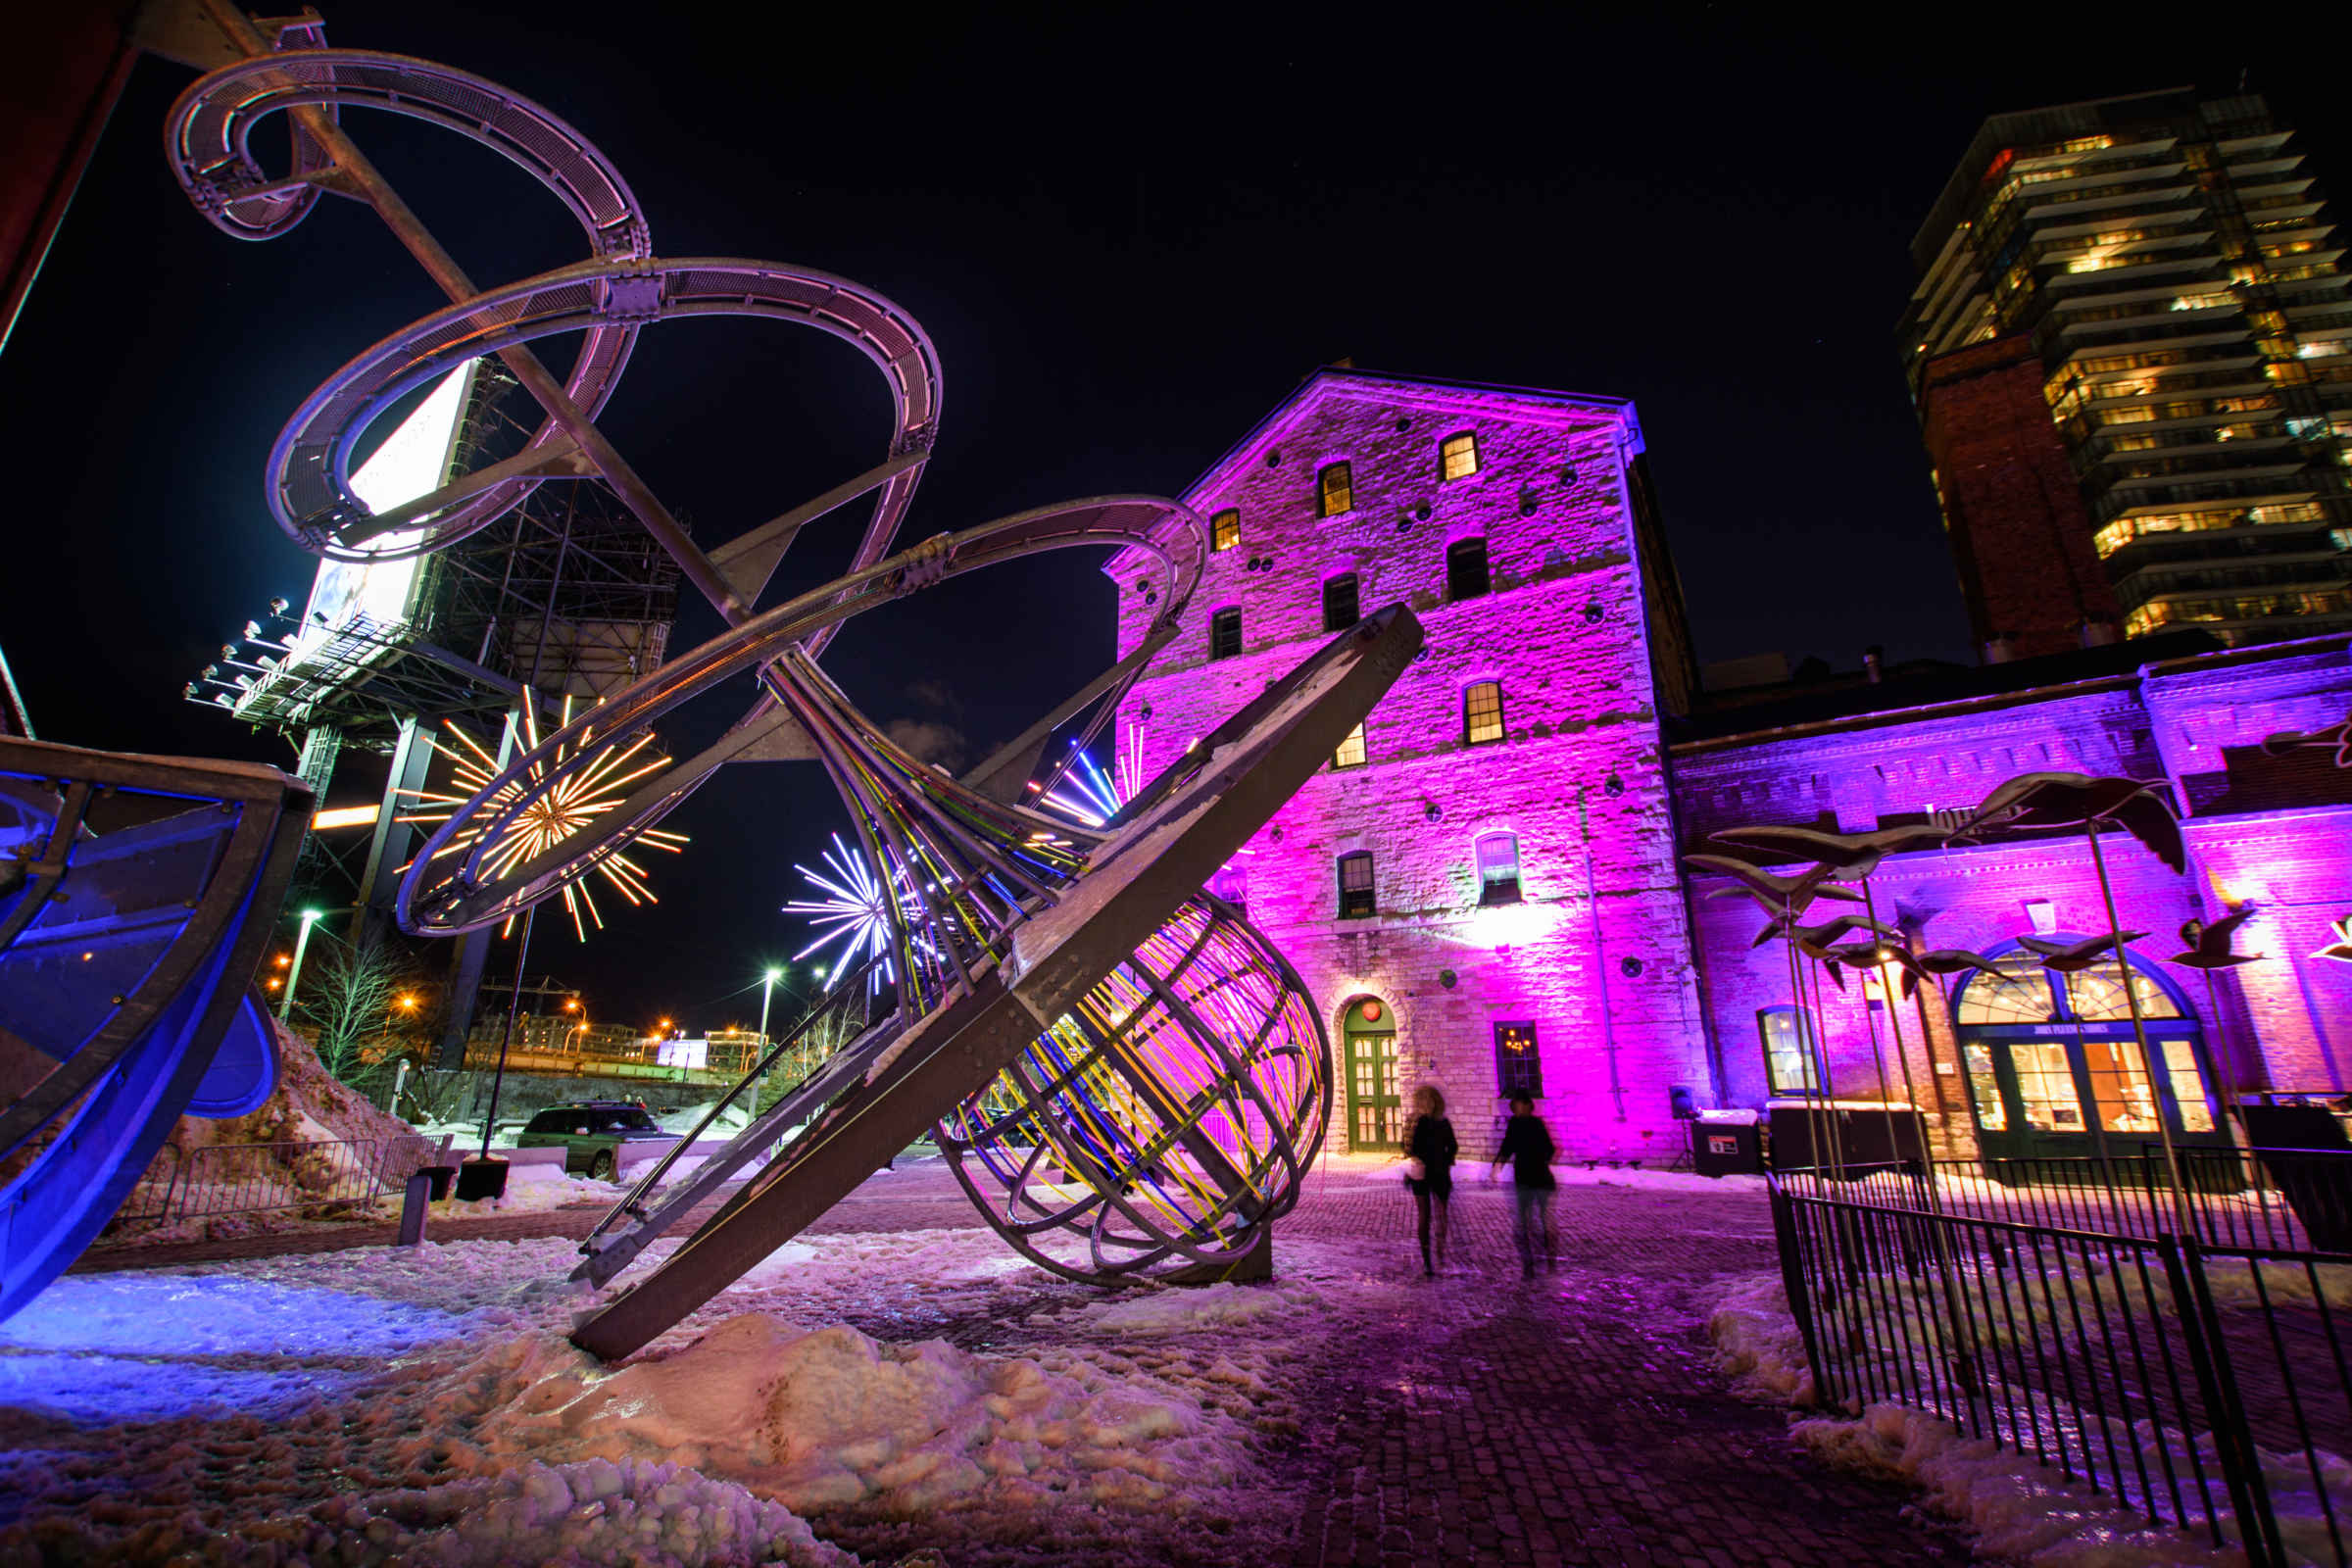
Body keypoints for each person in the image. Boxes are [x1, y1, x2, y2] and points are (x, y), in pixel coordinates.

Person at [1492, 1095, 1557, 1277]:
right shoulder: (1514, 1124)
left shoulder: (1536, 1124)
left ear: (1528, 1106)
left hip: (1540, 1176)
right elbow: (1507, 1146)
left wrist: (1540, 1159)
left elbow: (1549, 1148)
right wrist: (1498, 1165)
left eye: (1520, 1106)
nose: (1517, 1110)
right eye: (1515, 1107)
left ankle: (1544, 1254)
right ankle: (1529, 1262)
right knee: (1524, 1219)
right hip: (1523, 1177)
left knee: (1540, 1217)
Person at [1401, 1085, 1457, 1278]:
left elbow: (1411, 1148)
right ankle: (1433, 1255)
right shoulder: (1434, 1123)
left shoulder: (1430, 1123)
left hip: (1430, 1173)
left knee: (1432, 1215)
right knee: (1432, 1215)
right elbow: (1452, 1147)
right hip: (1432, 1173)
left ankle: (1433, 1257)